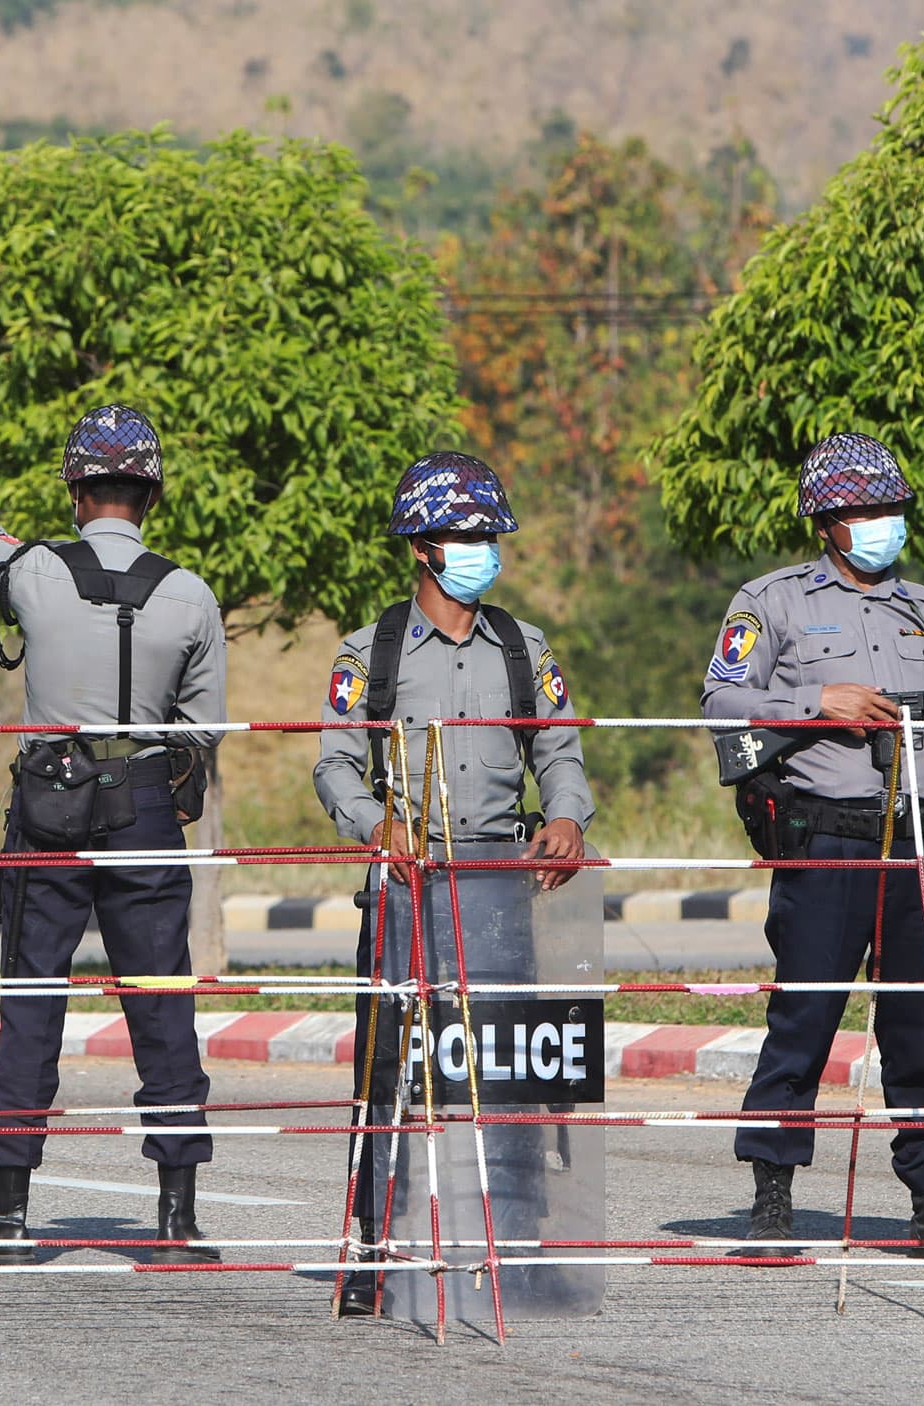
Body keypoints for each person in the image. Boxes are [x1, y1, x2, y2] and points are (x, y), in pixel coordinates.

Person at [0, 347, 227, 1268]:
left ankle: (8, 1217)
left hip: (48, 807)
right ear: (152, 496)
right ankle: (175, 1219)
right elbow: (204, 731)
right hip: (144, 810)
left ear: (76, 492)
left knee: (32, 1000)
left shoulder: (34, 573)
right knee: (162, 1004)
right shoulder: (192, 595)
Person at [699, 433, 924, 1261]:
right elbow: (719, 698)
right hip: (828, 835)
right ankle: (772, 1198)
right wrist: (819, 699)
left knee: (919, 1020)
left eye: (890, 508)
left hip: (921, 831)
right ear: (826, 521)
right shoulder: (770, 601)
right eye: (863, 511)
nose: (882, 523)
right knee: (805, 1015)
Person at [310, 450, 594, 1316]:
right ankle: (373, 1253)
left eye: (488, 534)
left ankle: (519, 1247)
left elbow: (560, 749)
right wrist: (376, 824)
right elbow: (332, 765)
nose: (481, 548)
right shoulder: (373, 652)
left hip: (499, 882)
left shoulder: (524, 646)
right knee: (390, 1073)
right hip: (407, 884)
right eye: (464, 534)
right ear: (421, 548)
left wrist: (569, 815)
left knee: (510, 1069)